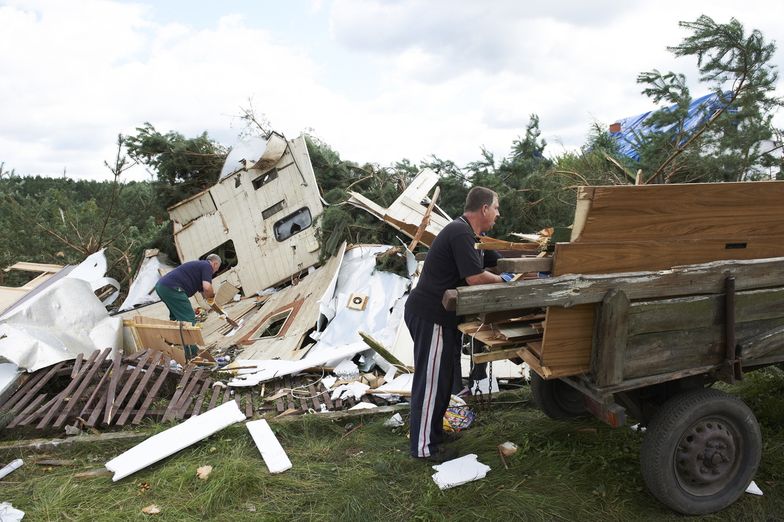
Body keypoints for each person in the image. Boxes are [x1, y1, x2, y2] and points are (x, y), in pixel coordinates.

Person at [405, 186, 504, 462]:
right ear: (484, 209)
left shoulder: (475, 237)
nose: (498, 213)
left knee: (445, 380)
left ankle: (433, 434)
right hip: (431, 315)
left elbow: (502, 262)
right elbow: (475, 277)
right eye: (496, 207)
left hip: (443, 318)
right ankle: (424, 448)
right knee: (431, 383)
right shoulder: (460, 231)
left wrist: (535, 265)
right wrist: (504, 282)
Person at [155, 254, 221, 359]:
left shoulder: (199, 268)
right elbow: (207, 288)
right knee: (188, 319)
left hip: (162, 287)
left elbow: (204, 292)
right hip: (173, 288)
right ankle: (192, 354)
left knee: (175, 318)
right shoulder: (207, 266)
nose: (215, 272)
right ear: (215, 263)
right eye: (216, 269)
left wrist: (212, 303)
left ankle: (171, 345)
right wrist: (212, 297)